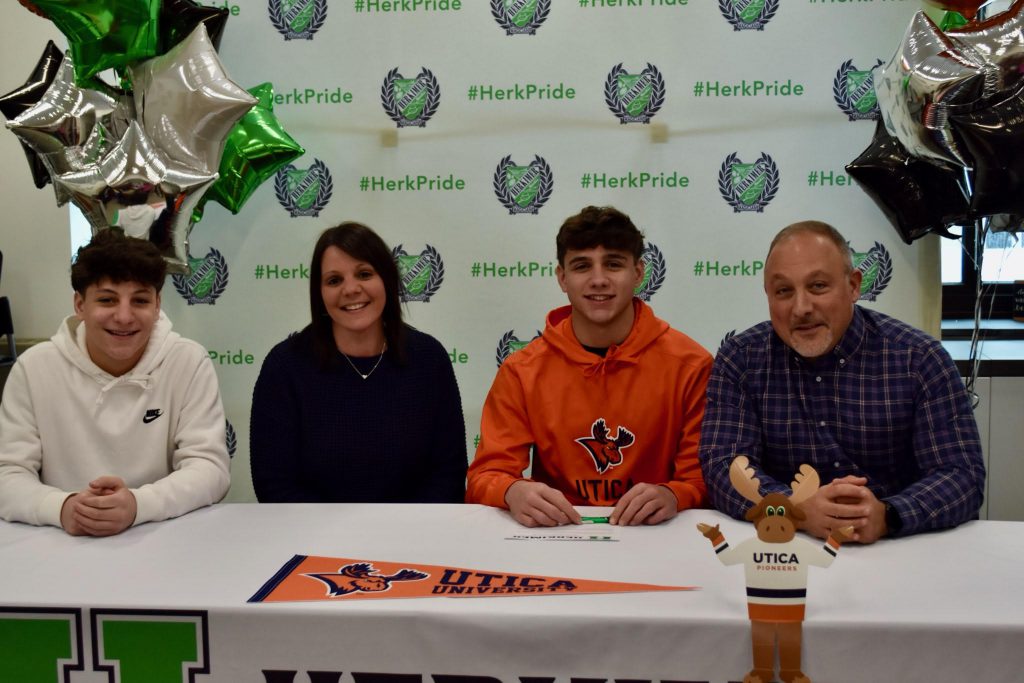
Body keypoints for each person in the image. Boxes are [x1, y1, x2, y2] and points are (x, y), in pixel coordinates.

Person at [699, 220, 986, 543]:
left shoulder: (919, 359)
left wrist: (889, 515)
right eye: (784, 291)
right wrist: (797, 508)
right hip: (788, 547)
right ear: (768, 295)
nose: (801, 308)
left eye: (818, 286)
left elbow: (962, 475)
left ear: (853, 286)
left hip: (900, 548)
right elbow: (723, 465)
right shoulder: (741, 360)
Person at [466, 206, 712, 527]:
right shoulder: (522, 370)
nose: (598, 280)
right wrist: (512, 491)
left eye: (613, 264)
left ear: (638, 273)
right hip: (558, 533)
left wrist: (675, 494)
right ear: (562, 278)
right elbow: (486, 474)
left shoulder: (691, 365)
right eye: (582, 266)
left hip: (656, 533)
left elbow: (705, 476)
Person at [0, 230, 230, 536]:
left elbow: (210, 469)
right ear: (80, 305)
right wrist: (64, 507)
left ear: (157, 305)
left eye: (140, 300)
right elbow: (7, 474)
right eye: (107, 300)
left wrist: (137, 505)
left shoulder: (188, 361)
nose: (124, 317)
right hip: (61, 543)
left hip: (161, 537)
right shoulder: (34, 368)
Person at [250, 222, 467, 503]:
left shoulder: (429, 358)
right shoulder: (285, 367)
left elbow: (448, 473)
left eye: (364, 274)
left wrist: (402, 533)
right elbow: (274, 484)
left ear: (386, 280)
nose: (350, 289)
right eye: (334, 280)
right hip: (317, 539)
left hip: (413, 536)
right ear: (319, 293)